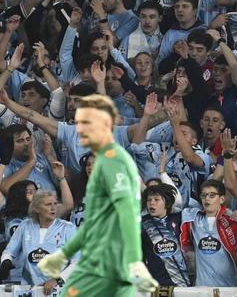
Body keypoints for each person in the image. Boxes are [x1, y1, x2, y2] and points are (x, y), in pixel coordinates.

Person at [37, 94, 158, 295]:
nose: (92, 168)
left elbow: (137, 156)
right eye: (89, 165)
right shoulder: (78, 191)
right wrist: (51, 158)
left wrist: (145, 117)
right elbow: (66, 206)